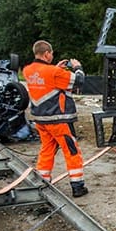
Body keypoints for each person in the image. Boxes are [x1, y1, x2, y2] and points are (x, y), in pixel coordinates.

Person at [23, 40, 89, 197]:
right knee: (71, 151)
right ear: (47, 54)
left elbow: (45, 81)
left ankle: (42, 182)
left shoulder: (27, 70)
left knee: (47, 150)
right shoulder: (54, 72)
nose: (52, 56)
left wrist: (56, 68)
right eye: (51, 53)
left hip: (40, 120)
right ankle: (77, 186)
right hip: (59, 120)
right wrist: (78, 67)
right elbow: (78, 81)